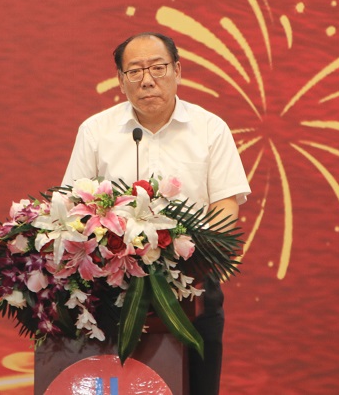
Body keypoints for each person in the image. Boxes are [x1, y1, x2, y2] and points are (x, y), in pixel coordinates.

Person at [62, 32, 251, 395]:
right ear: (121, 81)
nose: (147, 80)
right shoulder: (96, 131)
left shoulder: (210, 129)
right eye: (134, 71)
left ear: (177, 70)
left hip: (192, 285)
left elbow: (226, 205)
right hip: (111, 290)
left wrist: (193, 251)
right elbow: (75, 206)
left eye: (158, 68)